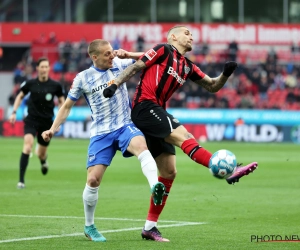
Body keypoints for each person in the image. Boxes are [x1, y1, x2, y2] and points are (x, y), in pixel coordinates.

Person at [103, 25, 258, 242]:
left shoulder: (187, 66)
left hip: (157, 111)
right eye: (187, 33)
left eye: (192, 34)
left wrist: (225, 74)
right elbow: (137, 66)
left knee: (168, 171)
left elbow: (212, 86)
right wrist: (114, 84)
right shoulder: (162, 50)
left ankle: (150, 227)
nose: (191, 36)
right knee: (185, 136)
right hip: (145, 107)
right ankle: (229, 170)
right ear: (173, 37)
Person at [41, 39, 166, 243]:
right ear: (94, 57)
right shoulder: (83, 78)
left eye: (112, 52)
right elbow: (66, 107)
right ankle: (89, 227)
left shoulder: (120, 64)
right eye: (107, 53)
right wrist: (53, 129)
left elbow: (153, 58)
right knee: (92, 180)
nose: (112, 55)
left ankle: (155, 187)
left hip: (124, 125)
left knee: (142, 147)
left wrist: (129, 54)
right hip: (101, 132)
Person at [9, 57, 65, 189]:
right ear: (38, 68)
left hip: (47, 123)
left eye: (46, 67)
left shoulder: (55, 85)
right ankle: (21, 181)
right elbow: (20, 96)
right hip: (32, 120)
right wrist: (14, 112)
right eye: (42, 67)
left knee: (40, 153)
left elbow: (63, 102)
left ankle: (43, 161)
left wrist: (59, 121)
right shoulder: (30, 83)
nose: (44, 69)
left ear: (49, 69)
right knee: (27, 147)